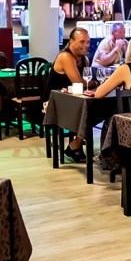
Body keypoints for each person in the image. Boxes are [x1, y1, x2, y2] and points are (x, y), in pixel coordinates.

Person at [51, 28, 91, 161]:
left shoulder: (85, 59)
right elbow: (79, 82)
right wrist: (95, 82)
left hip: (73, 99)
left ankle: (77, 144)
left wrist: (91, 83)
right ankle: (75, 145)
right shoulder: (65, 56)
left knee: (95, 108)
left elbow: (86, 83)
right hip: (55, 102)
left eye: (88, 42)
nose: (86, 45)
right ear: (71, 41)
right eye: (82, 42)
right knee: (89, 111)